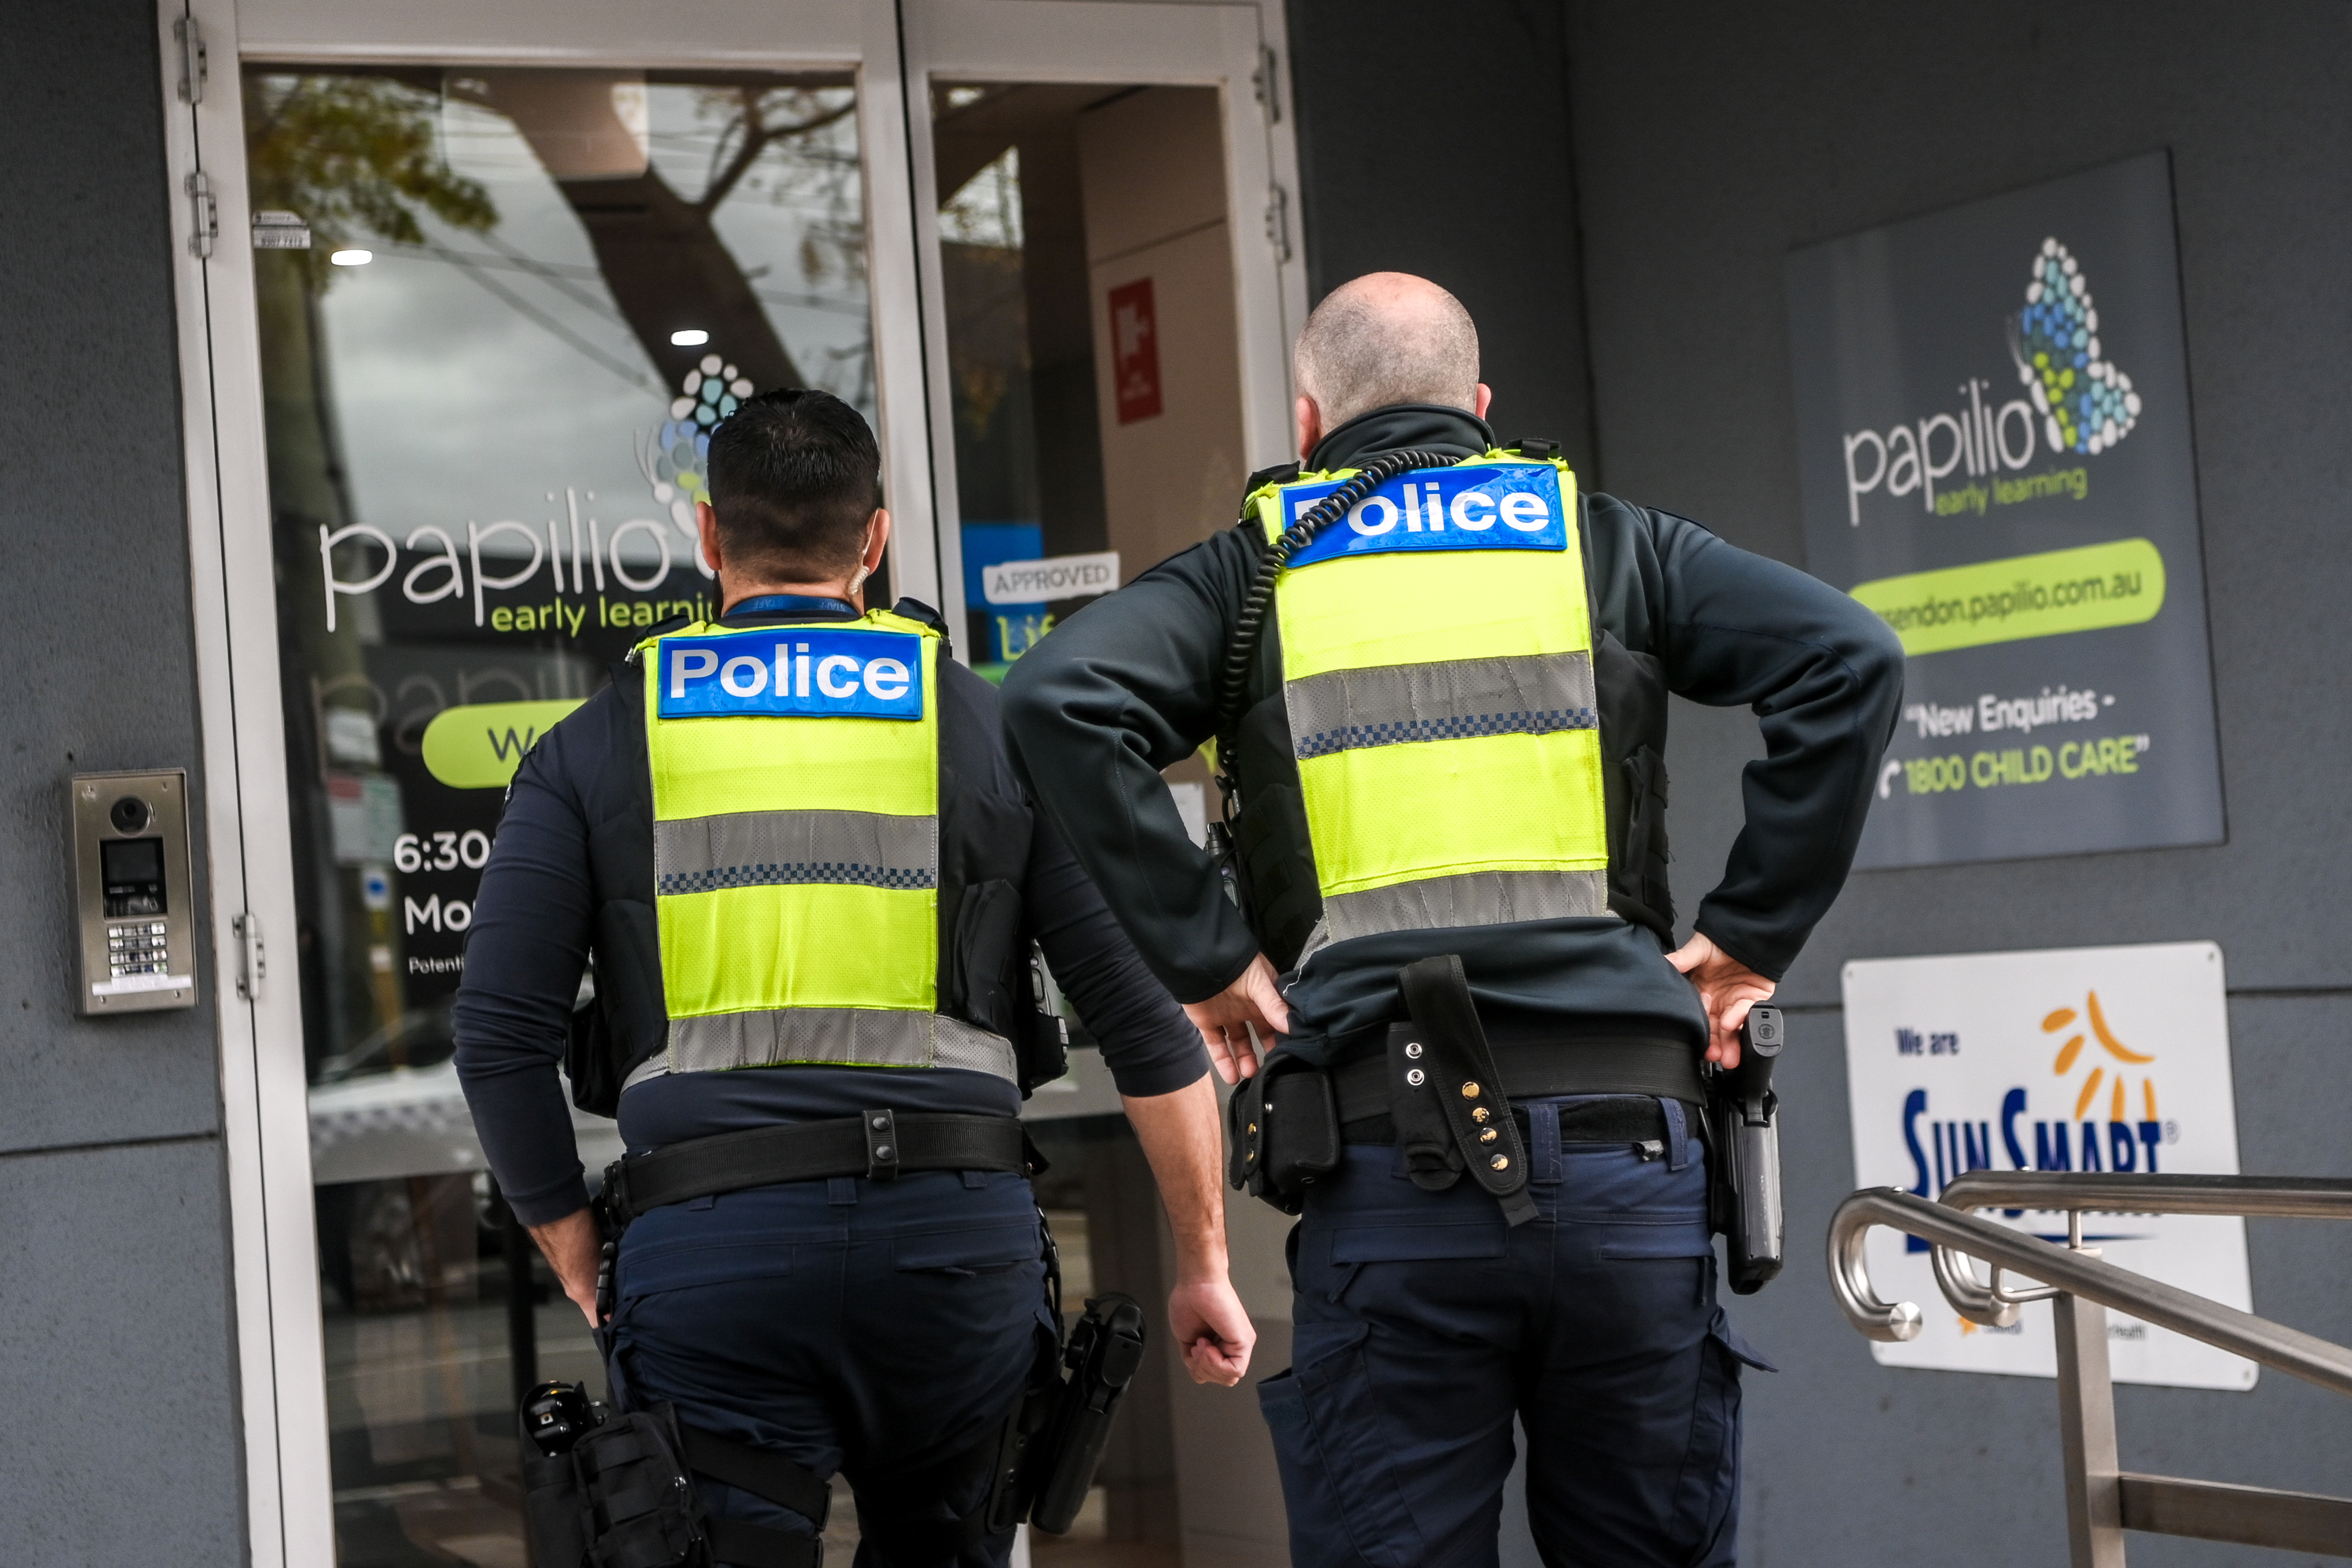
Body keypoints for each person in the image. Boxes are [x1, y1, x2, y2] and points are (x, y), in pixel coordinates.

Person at [1000, 273, 1903, 1566]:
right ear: (1479, 410)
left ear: (1308, 422)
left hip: (1392, 1173)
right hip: (1629, 1172)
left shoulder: (1255, 572)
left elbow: (1055, 699)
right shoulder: (1593, 540)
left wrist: (1206, 960)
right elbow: (1849, 657)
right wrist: (1749, 934)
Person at [453, 388, 1254, 1568]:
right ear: (873, 542)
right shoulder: (987, 729)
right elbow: (1145, 1023)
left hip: (710, 1261)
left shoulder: (598, 740)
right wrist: (1204, 1263)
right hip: (952, 1257)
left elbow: (497, 1035)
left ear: (710, 538)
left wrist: (580, 1254)